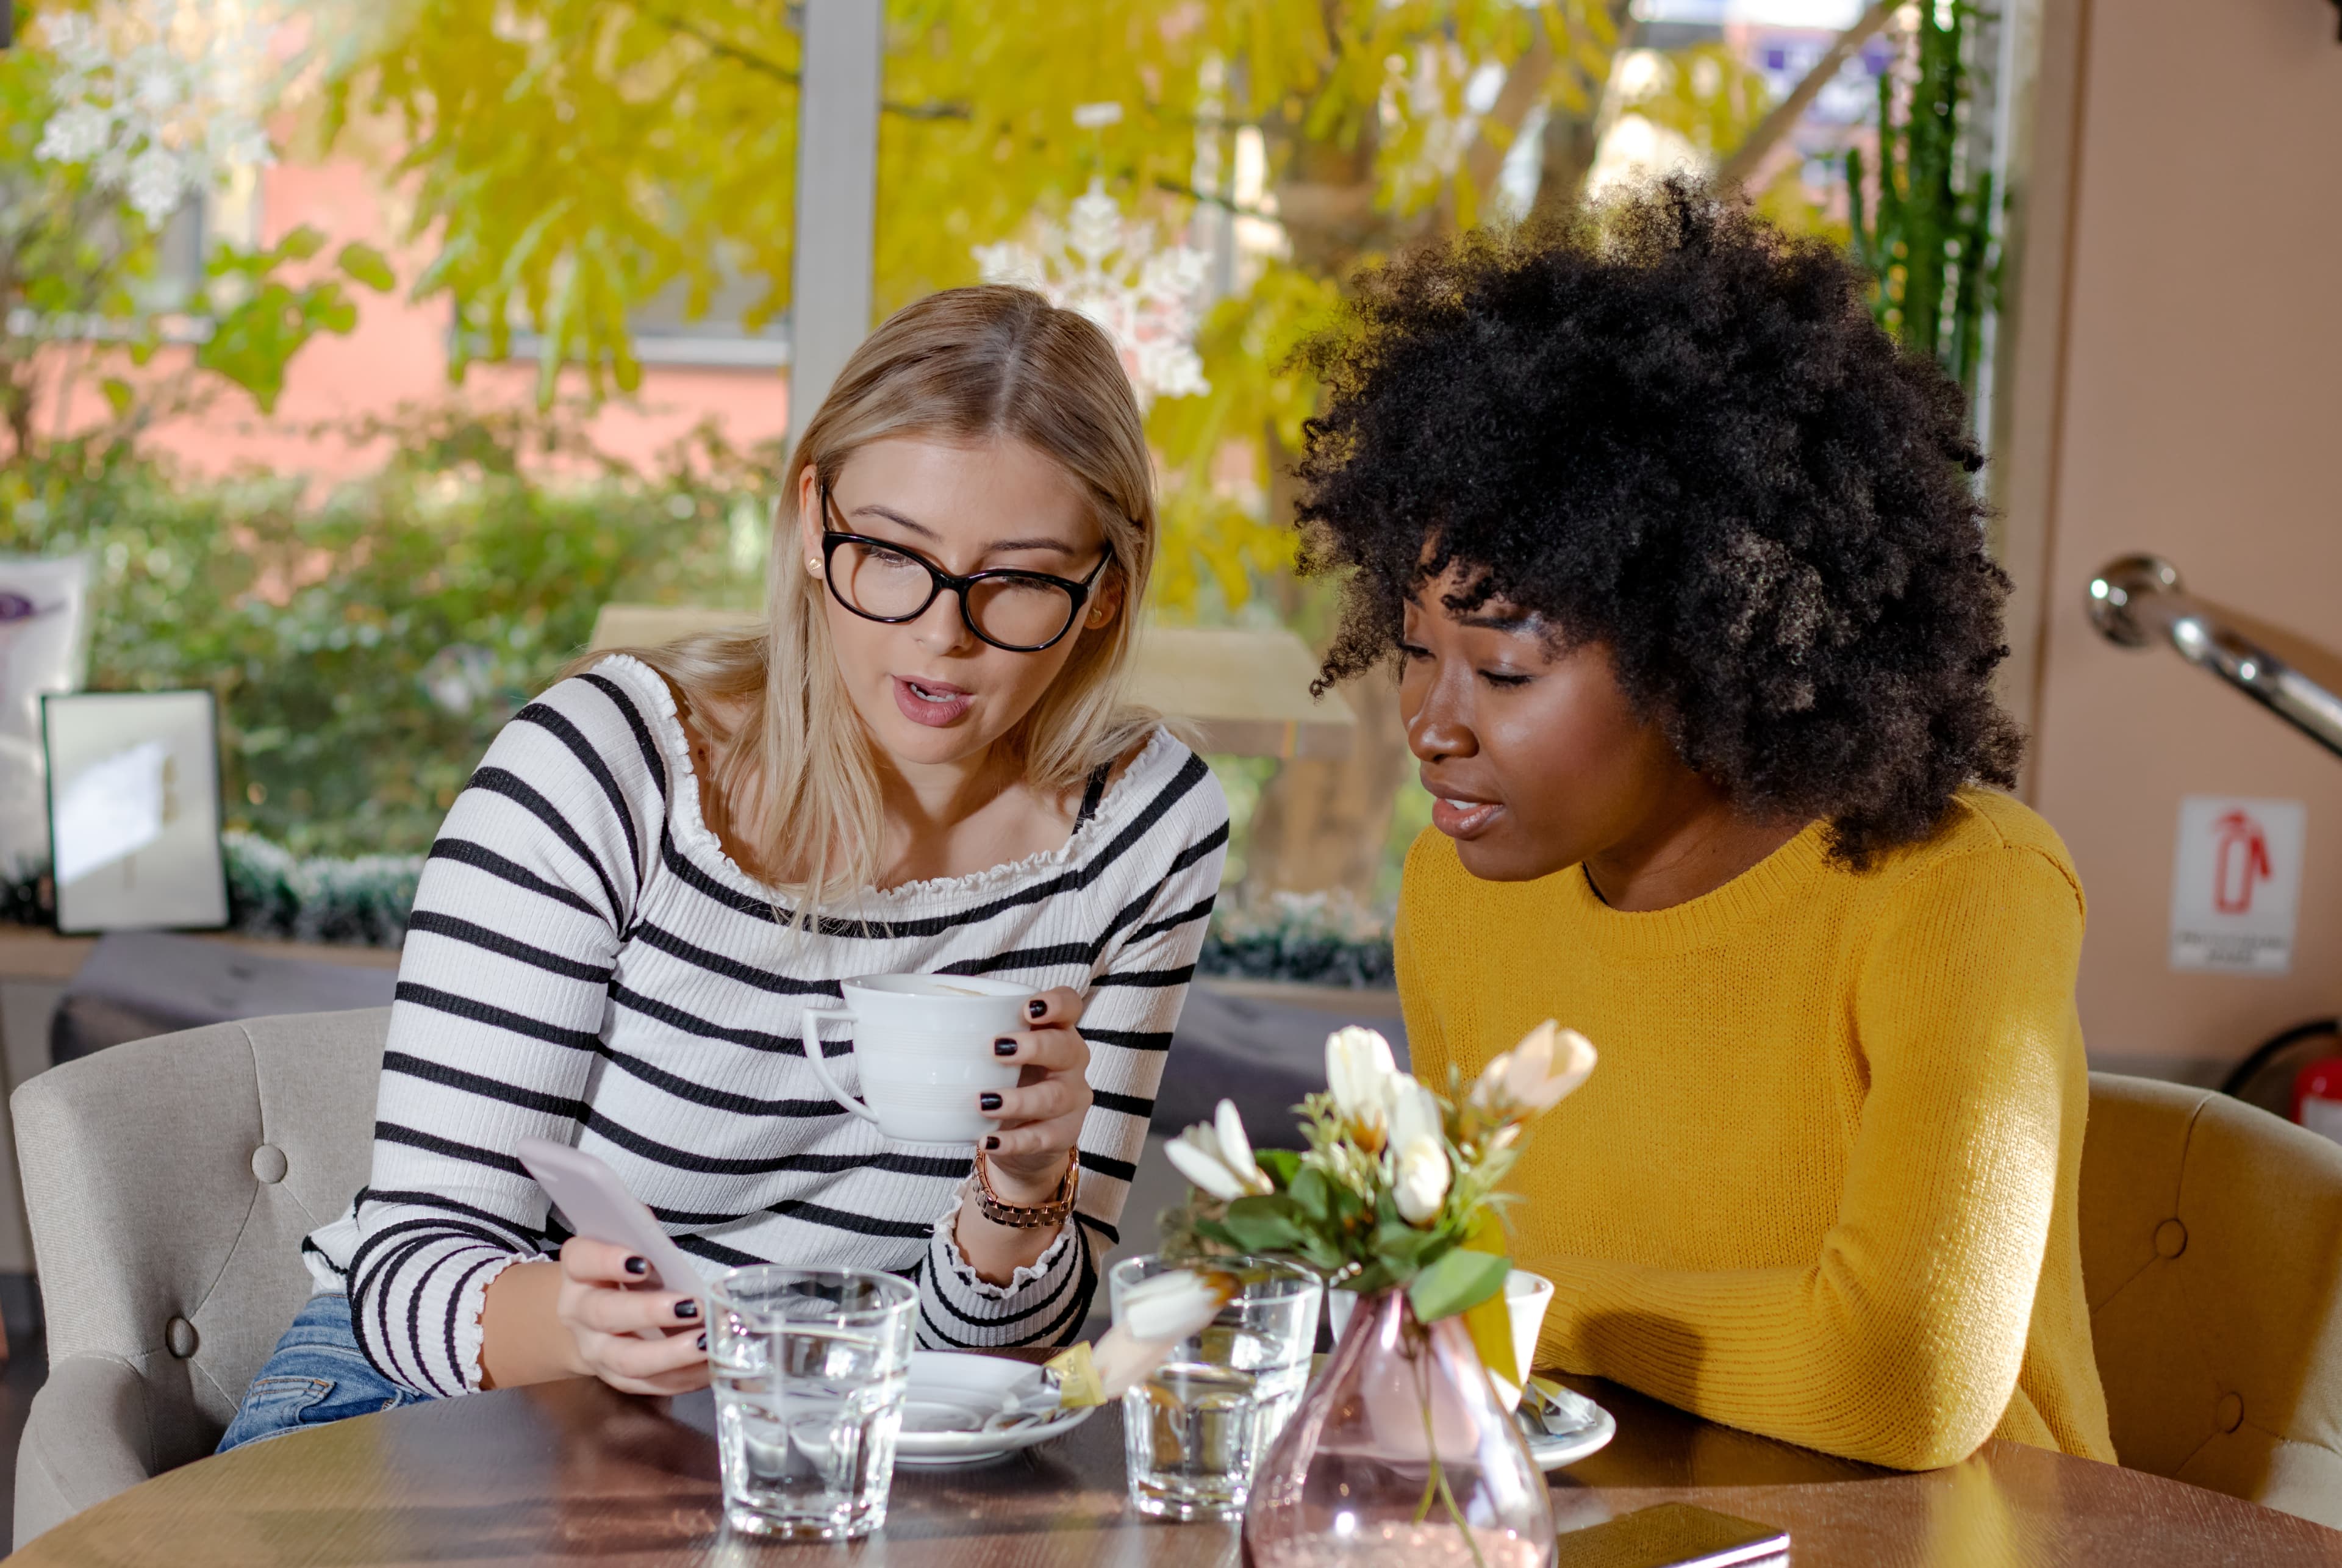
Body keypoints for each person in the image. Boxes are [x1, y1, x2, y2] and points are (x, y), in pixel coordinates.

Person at [219, 285, 1229, 1449]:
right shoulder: (606, 769)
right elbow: (407, 1270)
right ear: (813, 522)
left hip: (810, 1445)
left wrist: (1023, 1191)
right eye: (894, 556)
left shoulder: (1145, 833)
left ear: (1104, 588)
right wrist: (581, 1328)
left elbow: (998, 1367)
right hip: (441, 1405)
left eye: (1020, 581)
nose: (942, 634)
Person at [1292, 180, 2114, 1471]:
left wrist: (1523, 1305)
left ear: (1708, 649)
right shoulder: (1455, 893)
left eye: (1505, 672)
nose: (1431, 722)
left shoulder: (1962, 890)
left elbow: (1903, 1376)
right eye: (1411, 650)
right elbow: (1465, 1318)